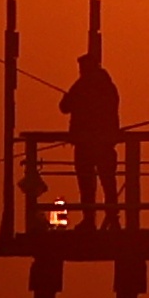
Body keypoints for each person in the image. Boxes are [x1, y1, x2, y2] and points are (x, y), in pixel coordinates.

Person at [59, 47, 122, 230]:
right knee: (108, 182)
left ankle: (90, 219)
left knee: (87, 183)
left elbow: (64, 107)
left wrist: (69, 97)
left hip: (86, 145)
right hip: (105, 144)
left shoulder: (82, 85)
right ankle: (113, 219)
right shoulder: (109, 87)